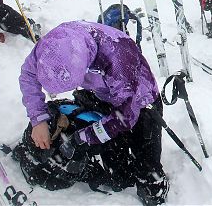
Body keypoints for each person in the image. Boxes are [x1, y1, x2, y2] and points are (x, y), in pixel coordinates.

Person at [19, 21, 168, 204]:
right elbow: (29, 75)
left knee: (148, 182)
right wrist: (38, 119)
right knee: (112, 159)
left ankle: (153, 183)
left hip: (140, 102)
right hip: (103, 93)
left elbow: (126, 115)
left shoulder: (118, 57)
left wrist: (84, 138)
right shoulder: (50, 46)